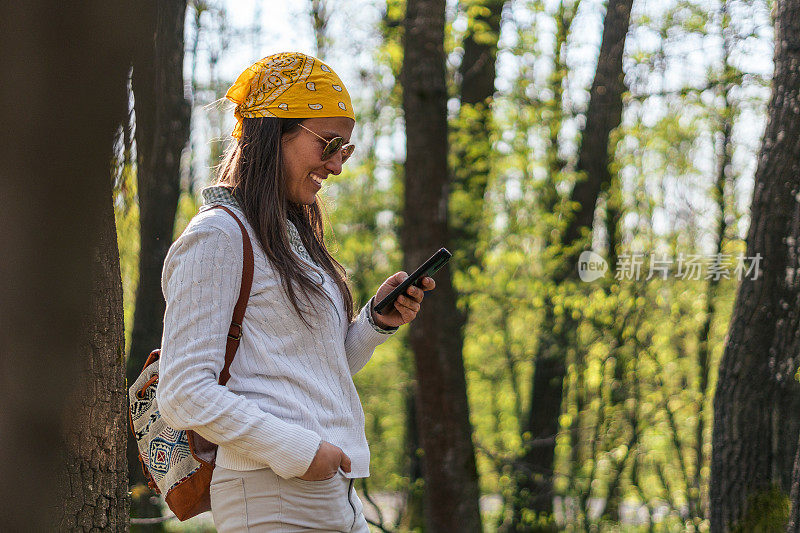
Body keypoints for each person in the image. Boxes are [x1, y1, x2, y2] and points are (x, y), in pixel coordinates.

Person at [156, 51, 435, 532]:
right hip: (272, 499)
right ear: (272, 134)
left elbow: (308, 376)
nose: (336, 165)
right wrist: (302, 452)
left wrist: (373, 324)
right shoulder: (217, 238)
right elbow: (182, 392)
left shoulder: (288, 239)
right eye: (328, 144)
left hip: (329, 496)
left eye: (345, 151)